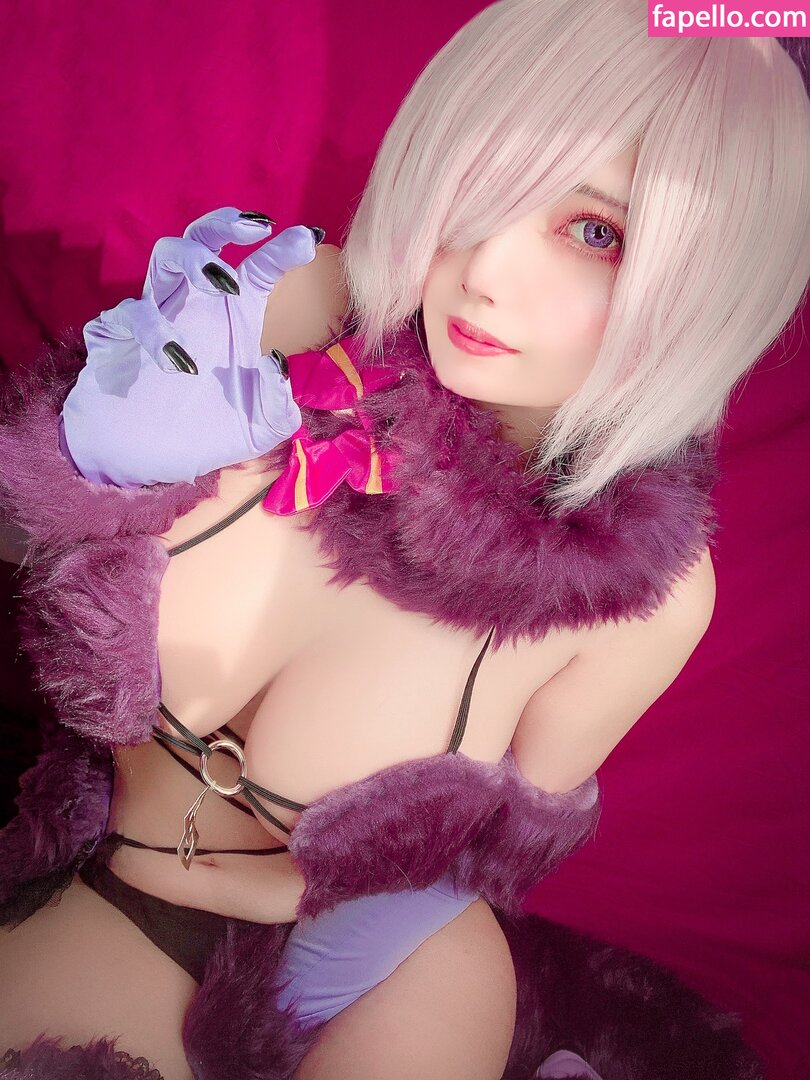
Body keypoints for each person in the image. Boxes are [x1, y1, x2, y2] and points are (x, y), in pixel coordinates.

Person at [0, 1, 807, 1078]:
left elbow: (487, 844)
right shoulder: (290, 302)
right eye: (484, 184)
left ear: (710, 285)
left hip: (388, 959)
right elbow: (44, 495)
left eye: (595, 232)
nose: (483, 269)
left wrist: (302, 885)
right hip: (110, 880)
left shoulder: (647, 594)